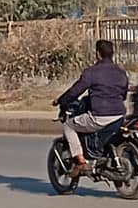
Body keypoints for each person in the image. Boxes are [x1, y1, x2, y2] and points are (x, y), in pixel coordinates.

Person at [54, 39, 128, 178]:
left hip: (99, 116)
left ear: (98, 54)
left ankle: (81, 161)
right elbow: (123, 95)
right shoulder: (121, 72)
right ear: (112, 54)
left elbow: (75, 91)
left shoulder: (92, 72)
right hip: (119, 115)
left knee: (69, 126)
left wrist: (60, 100)